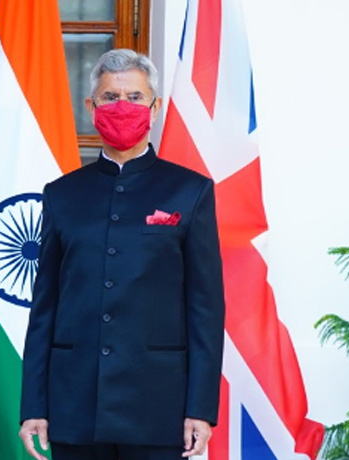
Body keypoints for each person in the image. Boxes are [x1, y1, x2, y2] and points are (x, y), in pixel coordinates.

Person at [19, 49, 226, 460]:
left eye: (134, 97)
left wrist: (200, 409)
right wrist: (34, 407)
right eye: (111, 97)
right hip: (74, 405)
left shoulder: (190, 191)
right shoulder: (62, 194)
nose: (122, 106)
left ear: (155, 106)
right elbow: (45, 308)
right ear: (91, 106)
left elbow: (205, 308)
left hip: (159, 408)